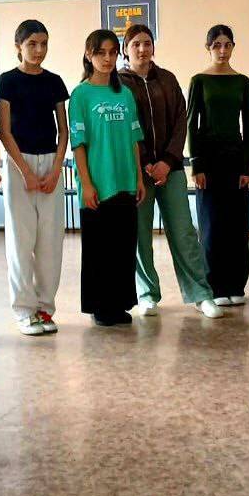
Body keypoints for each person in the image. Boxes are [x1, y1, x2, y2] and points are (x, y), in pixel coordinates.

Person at [119, 23, 222, 319]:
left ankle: (200, 294)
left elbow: (180, 122)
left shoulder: (167, 79)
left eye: (147, 43)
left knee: (183, 232)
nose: (142, 49)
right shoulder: (119, 83)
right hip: (137, 171)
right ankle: (147, 294)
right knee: (140, 235)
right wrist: (145, 162)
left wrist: (167, 160)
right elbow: (125, 126)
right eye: (136, 44)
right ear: (126, 49)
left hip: (171, 168)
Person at [0, 19, 69, 335]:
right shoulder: (7, 81)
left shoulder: (54, 81)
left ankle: (45, 308)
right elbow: (4, 130)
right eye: (32, 44)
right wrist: (24, 171)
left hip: (51, 162)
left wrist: (56, 169)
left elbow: (64, 130)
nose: (39, 50)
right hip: (18, 162)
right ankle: (24, 311)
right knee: (21, 241)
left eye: (44, 44)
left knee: (51, 240)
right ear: (18, 47)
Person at [71, 29, 145, 326]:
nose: (107, 58)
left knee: (123, 246)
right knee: (99, 249)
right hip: (98, 183)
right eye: (101, 52)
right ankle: (100, 307)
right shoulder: (80, 95)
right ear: (88, 55)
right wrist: (86, 184)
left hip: (126, 180)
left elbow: (134, 139)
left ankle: (119, 304)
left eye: (113, 52)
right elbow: (78, 144)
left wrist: (138, 178)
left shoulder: (124, 94)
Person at [187, 24, 249, 306]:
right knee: (212, 224)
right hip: (208, 160)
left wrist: (246, 168)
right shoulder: (199, 80)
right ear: (208, 48)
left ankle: (236, 284)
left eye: (227, 45)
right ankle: (214, 286)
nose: (223, 50)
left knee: (236, 224)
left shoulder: (242, 81)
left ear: (233, 47)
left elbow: (248, 125)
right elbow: (191, 124)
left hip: (235, 159)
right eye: (217, 45)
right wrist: (196, 165)